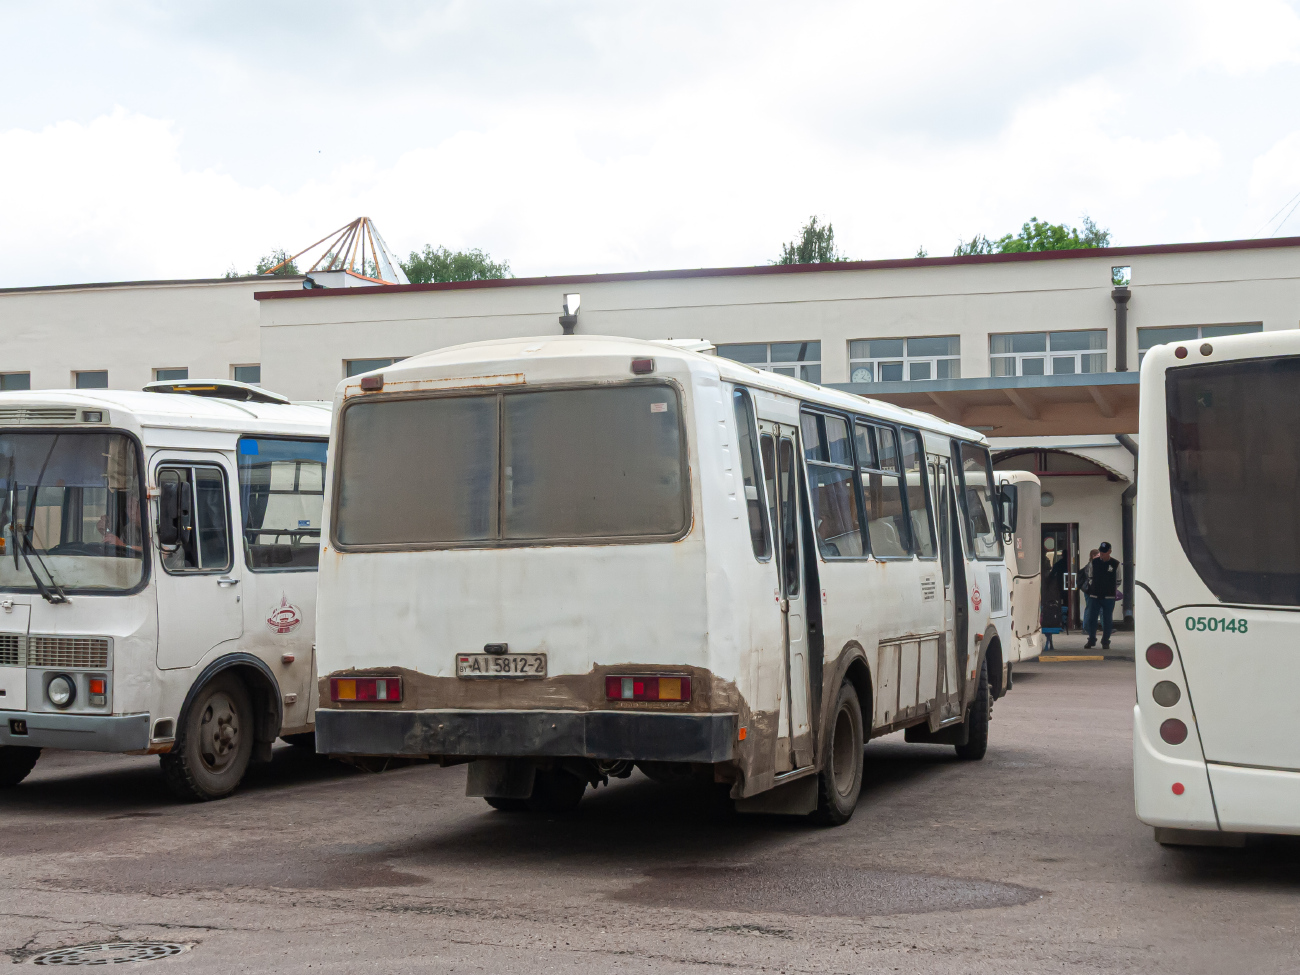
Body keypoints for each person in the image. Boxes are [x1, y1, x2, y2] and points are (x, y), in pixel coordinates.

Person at [1084, 541, 1121, 650]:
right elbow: (1090, 577)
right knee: (1092, 618)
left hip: (1109, 596)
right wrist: (1094, 588)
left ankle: (1105, 641)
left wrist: (1109, 589)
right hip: (1095, 595)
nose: (1102, 553)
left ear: (1110, 551)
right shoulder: (1094, 562)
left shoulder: (1115, 564)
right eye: (1101, 551)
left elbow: (1118, 580)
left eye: (1104, 552)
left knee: (1107, 619)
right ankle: (1091, 639)